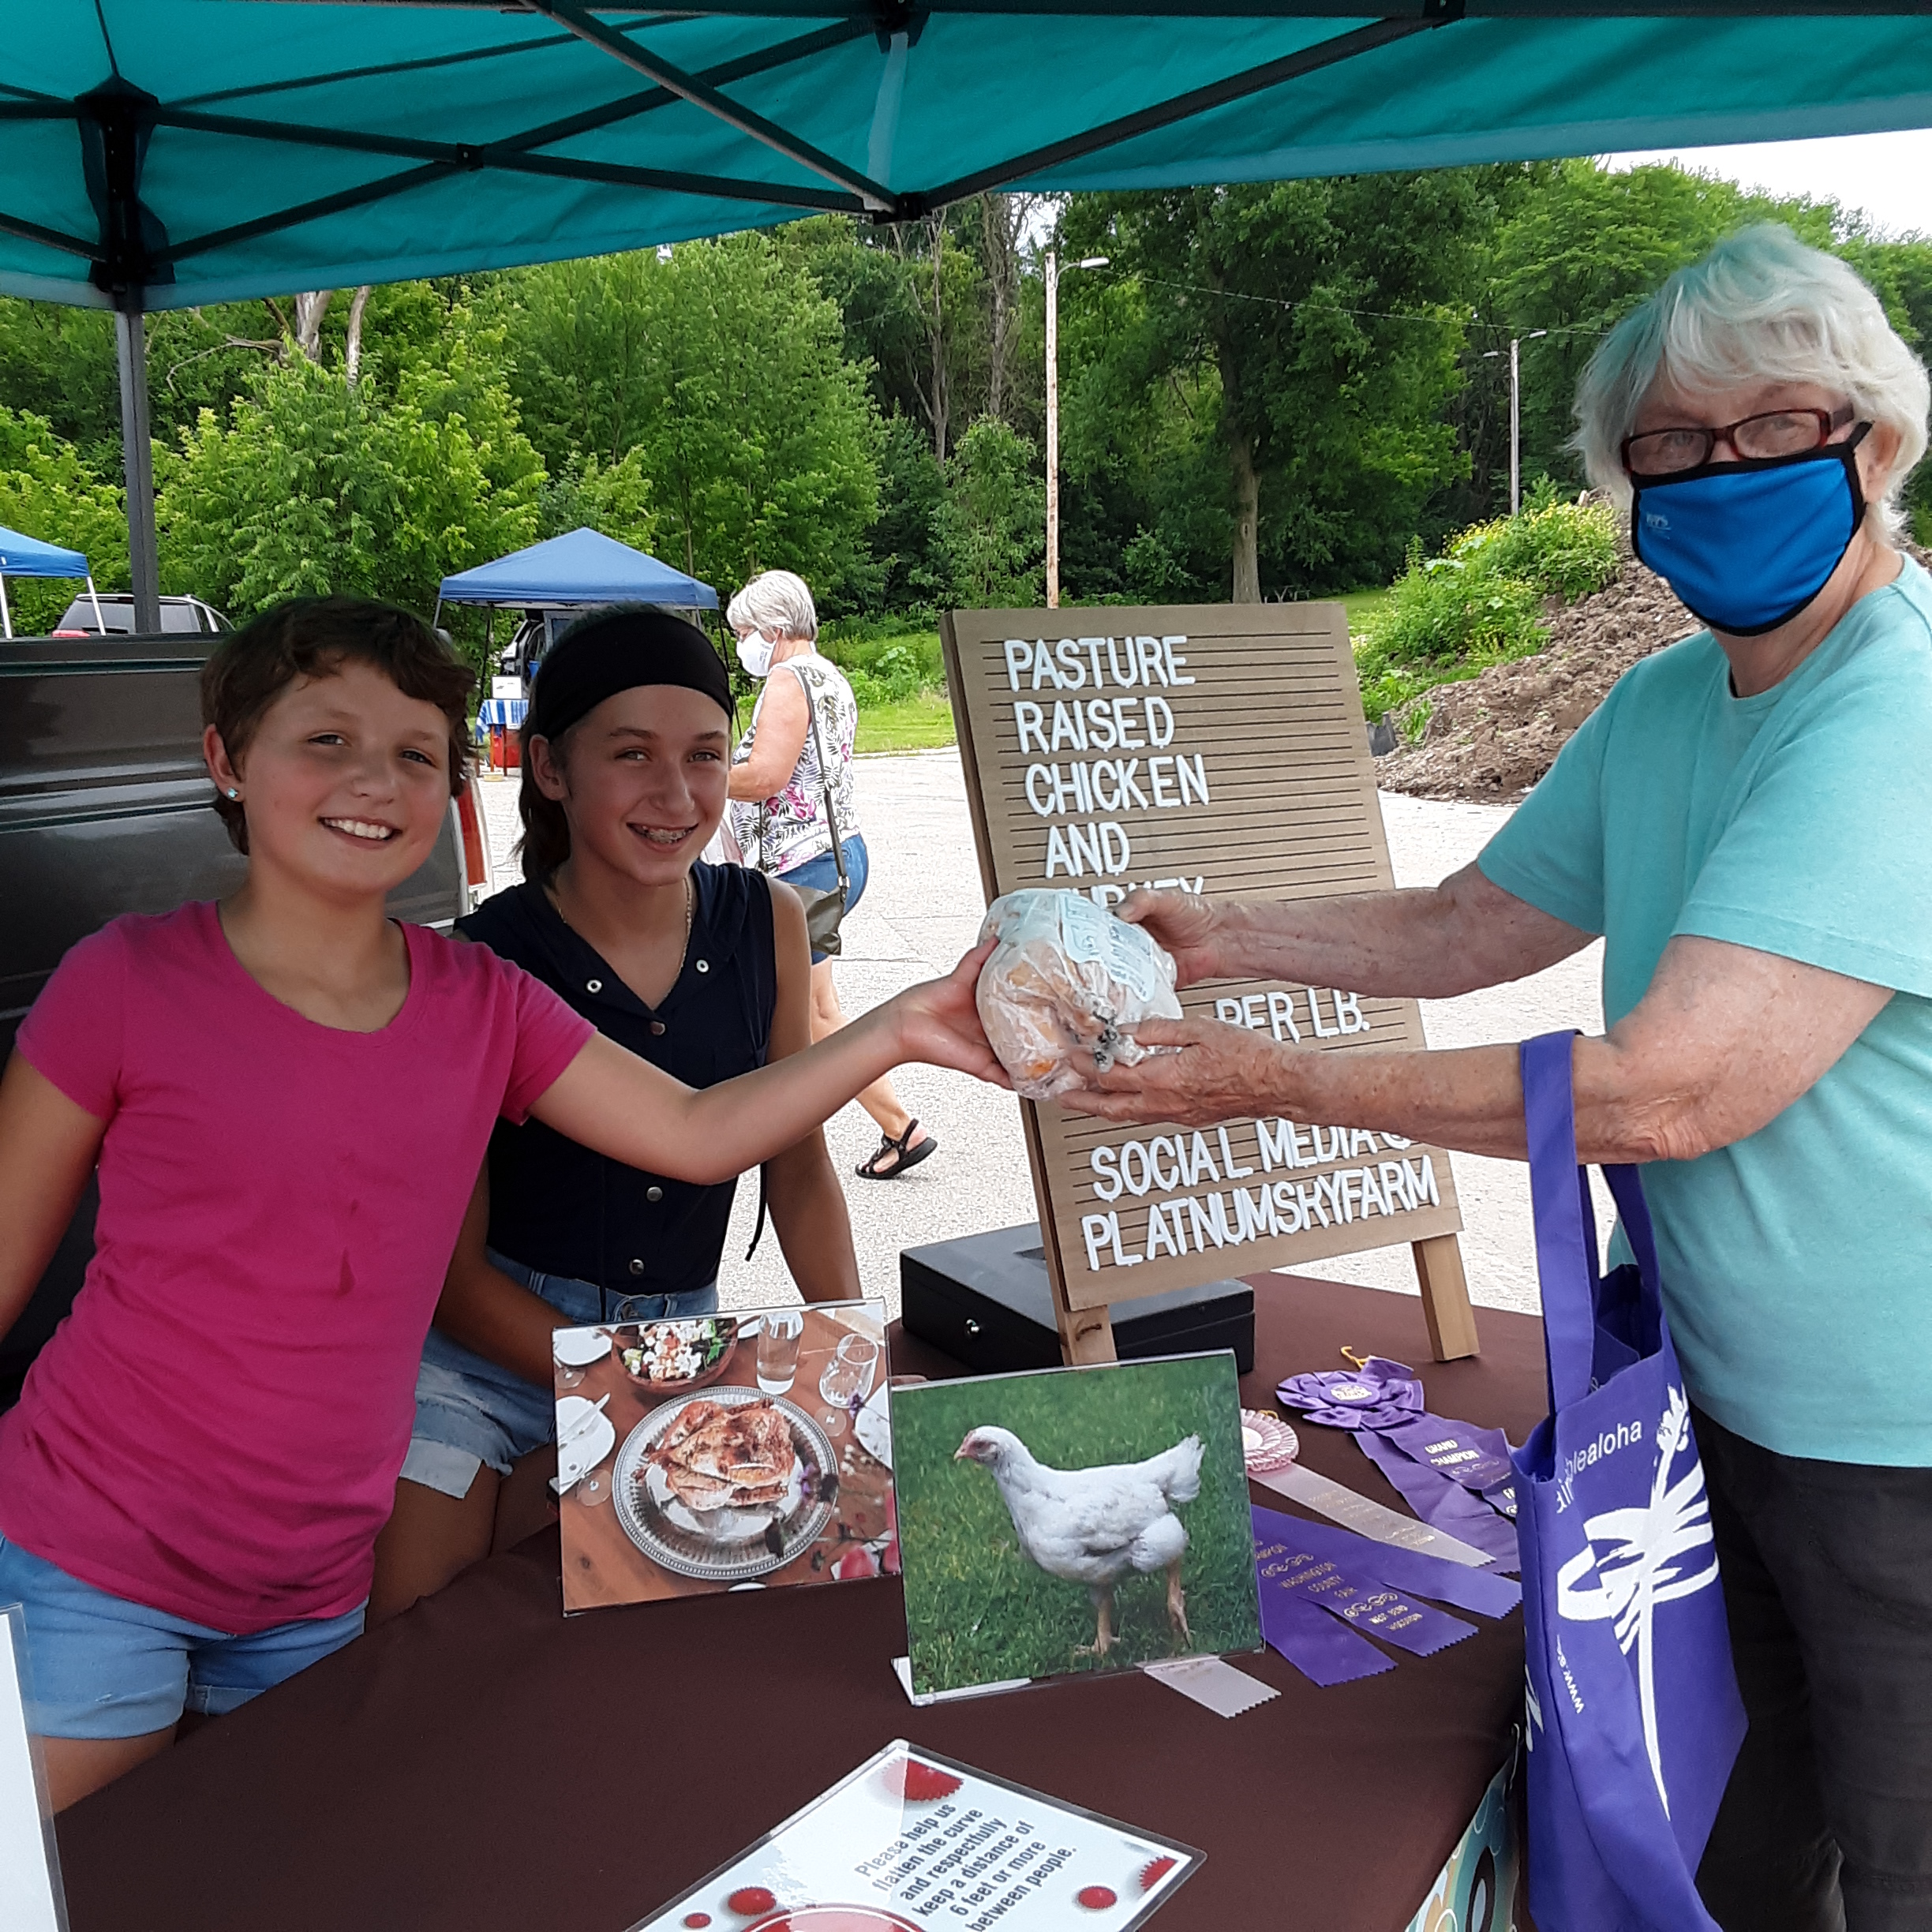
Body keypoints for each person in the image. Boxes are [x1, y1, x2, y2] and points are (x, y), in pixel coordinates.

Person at [1072, 225, 1932, 1931]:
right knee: (1734, 1839)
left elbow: (1669, 1090)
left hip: (1895, 1443)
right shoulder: (1671, 701)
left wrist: (1272, 1083)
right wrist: (1225, 933)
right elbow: (1473, 919)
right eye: (1669, 447)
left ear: (1878, 442)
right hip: (1707, 1394)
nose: (1716, 474)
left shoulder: (1895, 713)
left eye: (1770, 429)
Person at [0, 597, 999, 1810]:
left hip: (311, 1584)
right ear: (226, 755)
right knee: (86, 1870)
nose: (373, 780)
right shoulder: (121, 981)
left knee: (283, 1855)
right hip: (91, 1557)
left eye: (416, 753)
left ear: (455, 788)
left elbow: (699, 1132)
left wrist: (903, 1026)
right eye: (326, 740)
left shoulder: (480, 998)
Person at [369, 607, 860, 1621]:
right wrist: (613, 1385)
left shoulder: (765, 919)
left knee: (637, 1638)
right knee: (421, 1632)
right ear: (550, 767)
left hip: (679, 1343)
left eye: (706, 757)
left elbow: (799, 1167)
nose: (675, 794)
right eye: (631, 755)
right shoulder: (481, 961)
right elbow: (451, 1280)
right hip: (485, 1359)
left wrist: (852, 1355)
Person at [725, 569, 938, 1181]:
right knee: (799, 1005)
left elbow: (767, 775)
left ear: (773, 629)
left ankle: (900, 1127)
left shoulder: (789, 681)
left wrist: (699, 773)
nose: (744, 645)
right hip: (832, 853)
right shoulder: (829, 675)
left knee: (815, 1014)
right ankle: (784, 1121)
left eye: (745, 633)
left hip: (803, 867)